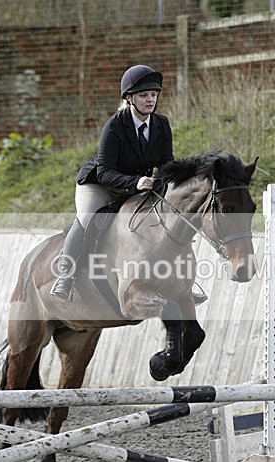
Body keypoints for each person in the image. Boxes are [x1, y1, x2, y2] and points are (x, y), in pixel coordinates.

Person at [50, 64, 173, 300]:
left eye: (153, 95)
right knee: (87, 219)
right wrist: (136, 181)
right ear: (129, 98)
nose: (150, 100)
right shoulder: (114, 127)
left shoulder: (161, 124)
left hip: (136, 186)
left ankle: (178, 283)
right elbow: (105, 171)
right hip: (99, 185)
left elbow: (167, 162)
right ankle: (65, 277)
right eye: (144, 95)